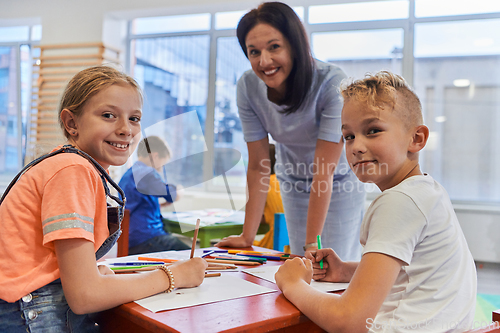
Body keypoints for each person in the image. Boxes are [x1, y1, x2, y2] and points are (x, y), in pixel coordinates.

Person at [0, 66, 207, 332]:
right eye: (108, 115)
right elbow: (85, 296)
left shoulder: (78, 168)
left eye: (134, 118)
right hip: (27, 313)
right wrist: (173, 276)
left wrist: (94, 274)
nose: (125, 129)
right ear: (72, 123)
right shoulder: (72, 170)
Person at [274, 71, 477, 332]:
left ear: (416, 139)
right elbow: (416, 269)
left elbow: (348, 321)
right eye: (348, 136)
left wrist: (293, 284)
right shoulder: (427, 191)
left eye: (373, 131)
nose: (356, 146)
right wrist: (347, 271)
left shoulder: (399, 201)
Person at [216, 2, 366, 259]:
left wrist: (312, 245)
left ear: (294, 45)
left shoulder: (330, 82)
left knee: (333, 261)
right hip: (293, 179)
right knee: (300, 259)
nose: (264, 61)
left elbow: (323, 172)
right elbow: (258, 166)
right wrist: (247, 236)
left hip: (337, 181)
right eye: (254, 52)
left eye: (274, 47)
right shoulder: (248, 87)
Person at [119, 135, 190, 255]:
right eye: (162, 164)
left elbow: (135, 203)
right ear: (155, 156)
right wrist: (180, 191)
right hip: (146, 238)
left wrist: (157, 205)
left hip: (129, 238)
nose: (161, 169)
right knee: (192, 256)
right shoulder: (147, 173)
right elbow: (172, 195)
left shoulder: (128, 174)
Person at [252, 143, 287, 251]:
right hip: (293, 244)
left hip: (274, 244)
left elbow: (257, 218)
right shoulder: (286, 182)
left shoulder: (263, 183)